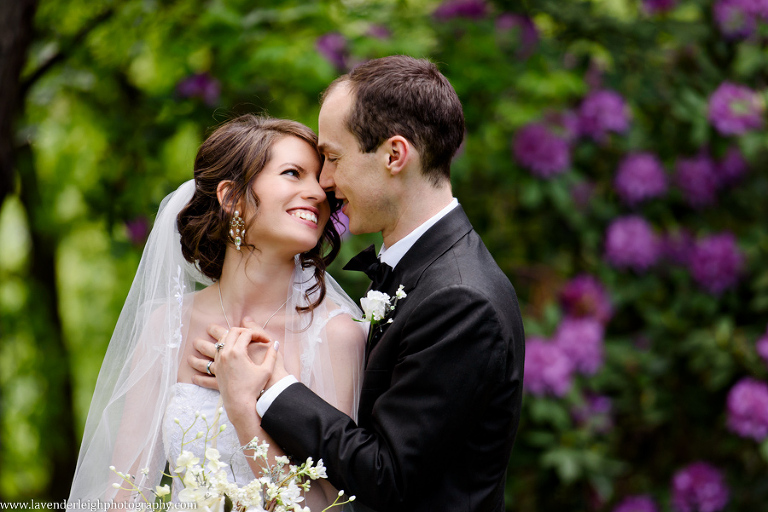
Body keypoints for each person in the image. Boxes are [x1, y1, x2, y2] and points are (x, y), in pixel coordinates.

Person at [193, 56, 525, 511]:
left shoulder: (461, 299)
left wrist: (269, 387)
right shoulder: (424, 274)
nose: (325, 183)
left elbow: (388, 477)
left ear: (394, 156)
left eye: (331, 158)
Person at [68, 115, 366, 510]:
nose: (317, 191)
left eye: (319, 178)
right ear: (231, 198)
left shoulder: (334, 334)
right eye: (293, 173)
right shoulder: (167, 326)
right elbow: (124, 495)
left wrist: (243, 408)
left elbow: (326, 507)